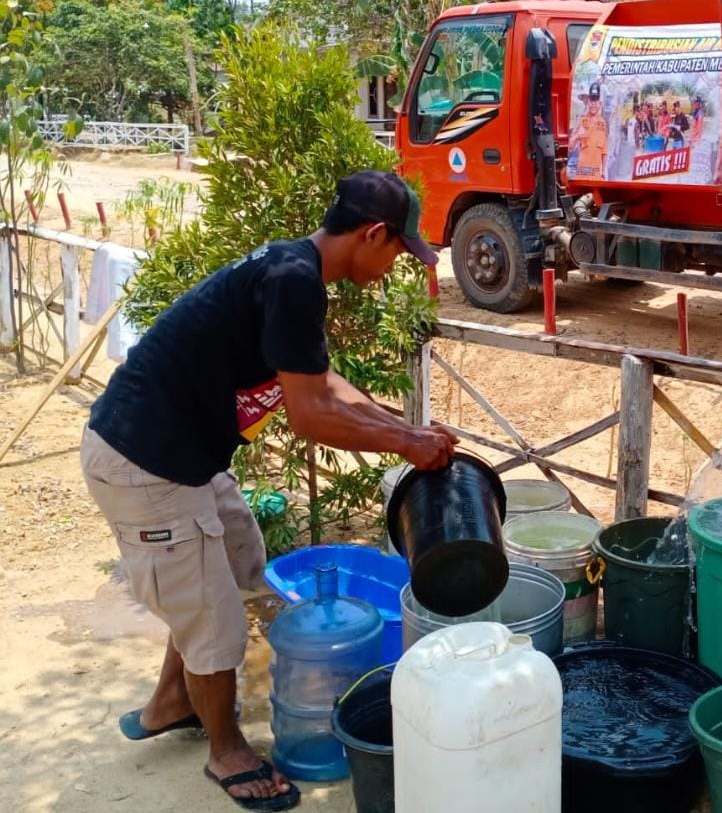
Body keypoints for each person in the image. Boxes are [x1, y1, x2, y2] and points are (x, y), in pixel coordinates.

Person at [80, 171, 460, 810]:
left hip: (187, 459)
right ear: (373, 234)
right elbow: (310, 416)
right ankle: (225, 751)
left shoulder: (294, 267)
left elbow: (324, 383)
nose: (398, 263)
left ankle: (173, 701)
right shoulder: (293, 280)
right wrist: (406, 446)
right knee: (214, 617)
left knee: (231, 565)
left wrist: (407, 430)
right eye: (399, 249)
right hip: (144, 463)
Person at [569, 82, 608, 179]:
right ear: (588, 101)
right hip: (582, 176)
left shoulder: (603, 123)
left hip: (596, 177)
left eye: (596, 100)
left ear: (600, 102)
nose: (593, 103)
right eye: (591, 100)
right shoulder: (581, 121)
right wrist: (577, 135)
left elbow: (605, 151)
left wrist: (603, 173)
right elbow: (570, 147)